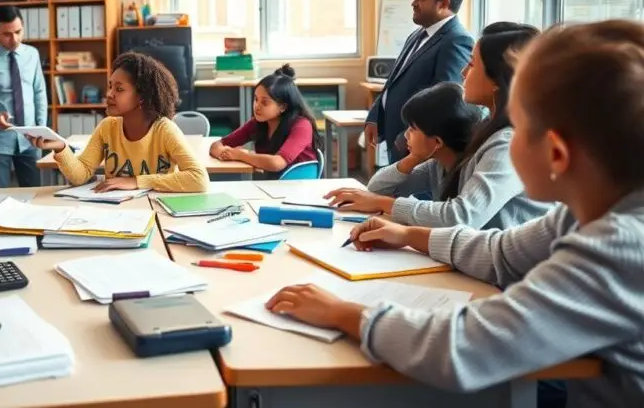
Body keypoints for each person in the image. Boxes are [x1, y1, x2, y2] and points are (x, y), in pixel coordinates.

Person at [266, 20, 644, 408]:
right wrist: (408, 235)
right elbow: (501, 252)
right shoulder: (590, 213)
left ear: (556, 154)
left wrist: (343, 313)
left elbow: (465, 348)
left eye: (517, 125)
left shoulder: (618, 246)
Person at [329, 25, 550, 230]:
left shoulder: (506, 144)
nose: (463, 72)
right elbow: (376, 188)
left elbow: (461, 217)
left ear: (496, 80)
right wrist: (414, 158)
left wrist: (383, 204)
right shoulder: (482, 132)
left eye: (471, 64)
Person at [28, 52, 209, 193]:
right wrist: (60, 148)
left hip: (156, 210)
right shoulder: (108, 127)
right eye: (110, 86)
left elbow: (199, 179)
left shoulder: (164, 129)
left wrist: (136, 182)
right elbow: (80, 176)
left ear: (142, 97)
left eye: (119, 89)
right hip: (115, 212)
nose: (109, 94)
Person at [366, 0, 474, 163]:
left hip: (416, 145)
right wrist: (375, 116)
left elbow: (443, 101)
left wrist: (406, 138)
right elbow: (393, 80)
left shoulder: (456, 40)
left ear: (444, 4)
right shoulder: (417, 35)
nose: (414, 3)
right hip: (397, 138)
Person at [0, 5, 48, 188]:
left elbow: (39, 92)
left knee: (34, 194)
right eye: (7, 34)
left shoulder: (32, 54)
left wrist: (41, 127)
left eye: (18, 32)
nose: (14, 39)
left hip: (30, 138)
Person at [209, 64, 322, 179]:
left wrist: (239, 155)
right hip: (274, 186)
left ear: (282, 106)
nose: (257, 106)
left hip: (300, 187)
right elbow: (216, 145)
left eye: (265, 102)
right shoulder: (258, 123)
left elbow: (277, 163)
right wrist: (226, 153)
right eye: (256, 99)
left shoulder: (302, 125)